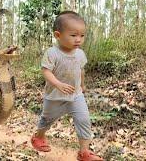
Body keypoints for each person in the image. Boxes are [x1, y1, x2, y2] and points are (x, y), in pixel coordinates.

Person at [30, 11, 103, 161]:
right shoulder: (52, 53)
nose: (78, 39)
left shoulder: (80, 54)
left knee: (84, 120)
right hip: (54, 96)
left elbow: (80, 70)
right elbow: (46, 71)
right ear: (58, 35)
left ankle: (84, 152)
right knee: (47, 120)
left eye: (82, 36)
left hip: (76, 95)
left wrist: (82, 85)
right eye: (73, 35)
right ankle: (38, 137)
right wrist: (57, 84)